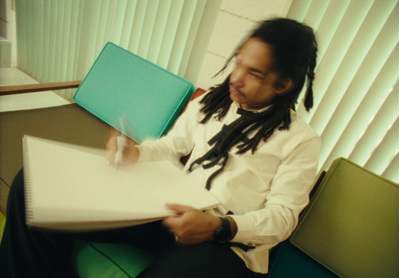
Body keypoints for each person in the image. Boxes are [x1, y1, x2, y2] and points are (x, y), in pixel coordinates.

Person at [0, 18, 320, 277]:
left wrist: (220, 226)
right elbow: (171, 146)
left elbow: (282, 218)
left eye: (253, 73)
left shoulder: (300, 141)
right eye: (238, 63)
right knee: (30, 185)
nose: (235, 77)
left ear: (283, 85)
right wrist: (137, 152)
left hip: (224, 242)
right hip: (164, 208)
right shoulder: (212, 101)